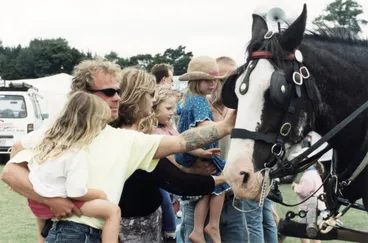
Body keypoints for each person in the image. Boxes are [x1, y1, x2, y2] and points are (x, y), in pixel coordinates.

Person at [1, 60, 236, 242]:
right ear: (83, 95)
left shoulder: (123, 139)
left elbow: (181, 143)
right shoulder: (60, 132)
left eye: (119, 91)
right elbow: (11, 172)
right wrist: (53, 201)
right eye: (110, 92)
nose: (118, 98)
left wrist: (225, 127)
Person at [112, 68, 226, 243]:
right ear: (139, 97)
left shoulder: (121, 134)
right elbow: (178, 177)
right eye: (151, 94)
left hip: (143, 220)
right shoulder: (133, 140)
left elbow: (180, 146)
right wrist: (224, 177)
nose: (153, 99)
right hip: (133, 226)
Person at [9, 92, 121, 243]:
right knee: (113, 211)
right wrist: (99, 194)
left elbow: (16, 146)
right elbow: (75, 192)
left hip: (36, 203)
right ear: (90, 124)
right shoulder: (76, 153)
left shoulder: (45, 136)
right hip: (55, 202)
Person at [175, 56, 231, 243]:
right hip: (195, 151)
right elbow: (204, 125)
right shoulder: (199, 100)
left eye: (215, 80)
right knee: (223, 180)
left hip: (188, 152)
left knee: (206, 188)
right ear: (195, 81)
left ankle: (198, 230)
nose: (213, 84)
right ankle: (212, 225)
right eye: (207, 80)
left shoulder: (188, 98)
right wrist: (226, 124)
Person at [290, 132, 330, 243]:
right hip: (318, 207)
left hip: (309, 209)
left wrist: (295, 187)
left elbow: (304, 191)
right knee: (314, 230)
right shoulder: (315, 173)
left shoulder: (308, 176)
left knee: (304, 230)